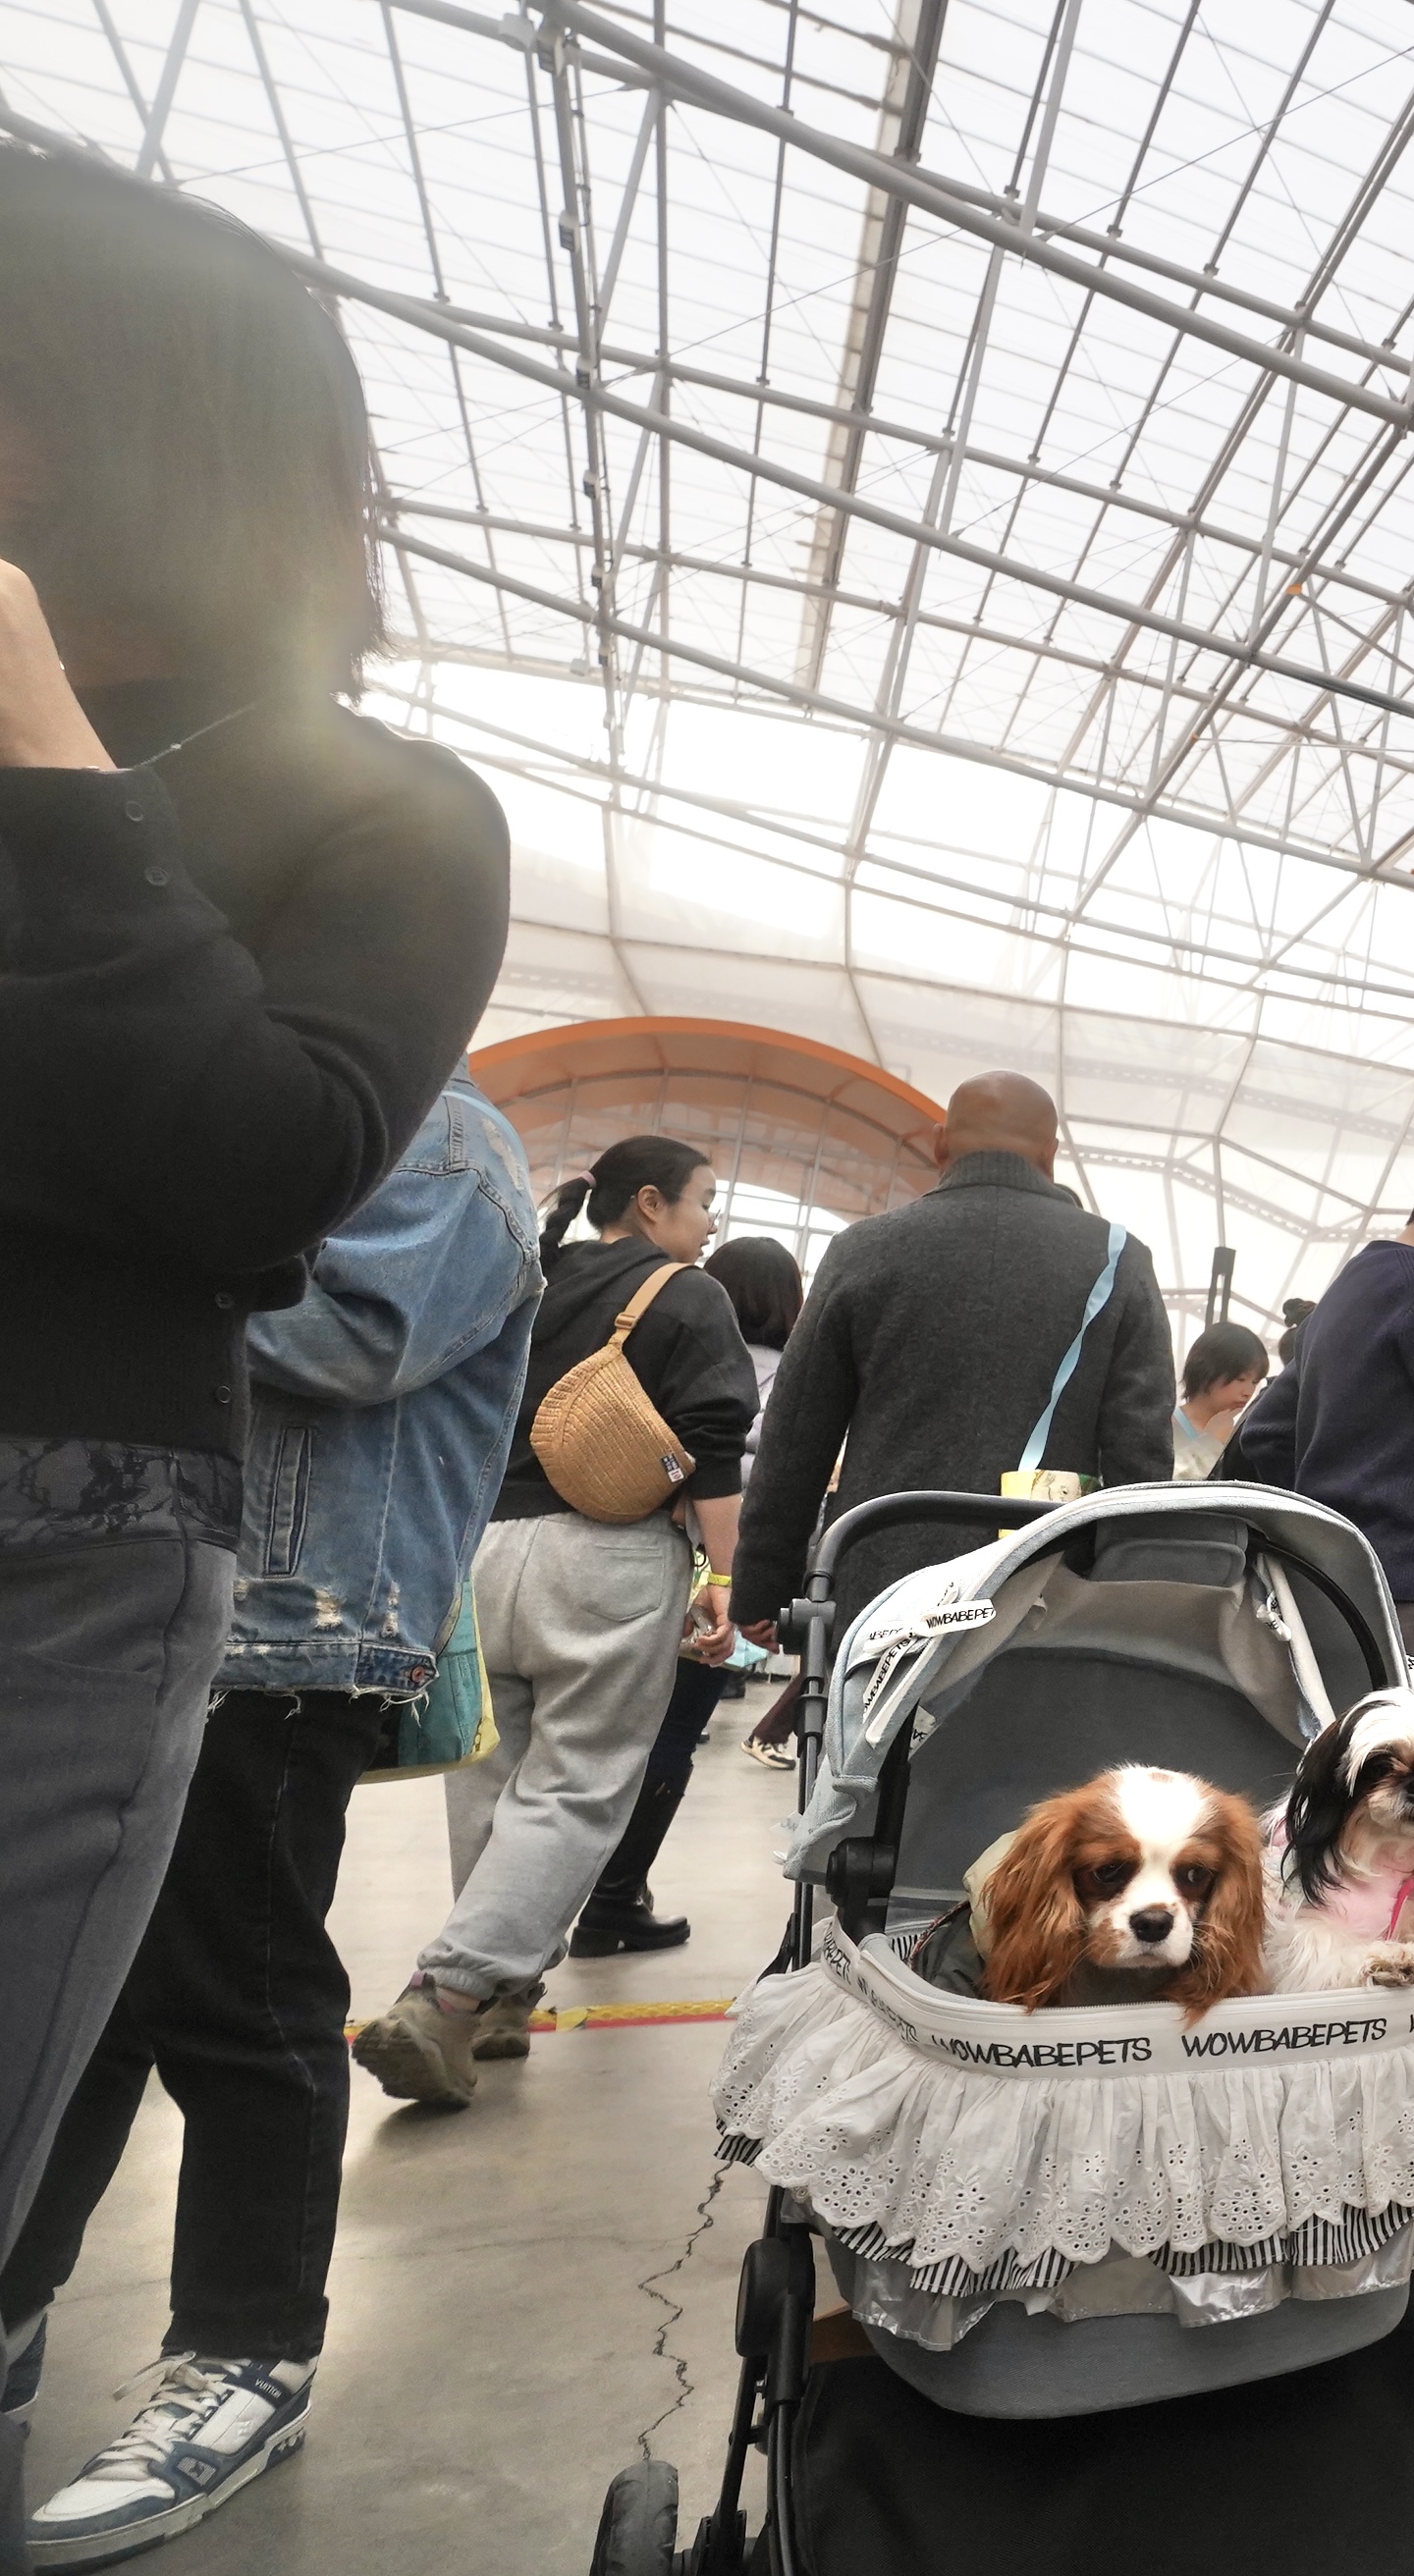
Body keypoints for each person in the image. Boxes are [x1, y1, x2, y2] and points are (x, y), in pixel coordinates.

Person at [0, 149, 508, 2551]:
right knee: (131, 1999)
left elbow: (313, 1261)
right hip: (239, 1572)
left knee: (229, 1970)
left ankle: (243, 2338)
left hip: (271, 1594)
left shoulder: (441, 1084)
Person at [0, 1069, 537, 2564]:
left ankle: (249, 2349)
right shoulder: (242, 1109)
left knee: (237, 1979)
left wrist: (112, 1263)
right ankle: (19, 2292)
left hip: (288, 1624)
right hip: (144, 1587)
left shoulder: (439, 1134)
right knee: (85, 1986)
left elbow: (365, 1332)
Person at [351, 1138, 756, 2107]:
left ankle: (500, 1999)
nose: (711, 1224)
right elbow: (712, 1445)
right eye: (705, 1202)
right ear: (650, 1202)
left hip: (482, 1551)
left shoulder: (525, 1281)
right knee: (576, 1787)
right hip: (607, 1559)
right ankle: (447, 1993)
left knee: (487, 1785)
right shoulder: (687, 1296)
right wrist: (725, 1575)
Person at [733, 1073, 1172, 1648]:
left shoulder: (863, 1249)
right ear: (1050, 1154)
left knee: (875, 1709)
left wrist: (764, 1585)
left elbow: (796, 1438)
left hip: (883, 1581)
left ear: (940, 1143)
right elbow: (1140, 1454)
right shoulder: (1120, 1260)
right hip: (1042, 1590)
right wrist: (1126, 1594)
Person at [1222, 1139, 1414, 1684]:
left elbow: (1266, 1433)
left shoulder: (1344, 1293)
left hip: (1324, 1579)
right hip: (1413, 1585)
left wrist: (1327, 1515)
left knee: (1339, 1731)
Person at [573, 1234, 802, 1956]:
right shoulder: (786, 1380)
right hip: (718, 1575)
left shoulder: (667, 1354)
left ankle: (573, 1893)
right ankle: (613, 1901)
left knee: (593, 1739)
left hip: (620, 1560)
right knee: (673, 1736)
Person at [1170, 1320, 1267, 1477]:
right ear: (1206, 1370)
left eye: (1255, 1382)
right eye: (1241, 1379)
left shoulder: (1240, 1433)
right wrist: (1211, 1443)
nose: (1248, 1392)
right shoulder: (1166, 1428)